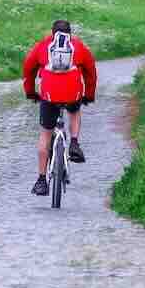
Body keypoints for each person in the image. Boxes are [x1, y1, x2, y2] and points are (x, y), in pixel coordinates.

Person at [23, 19, 97, 196]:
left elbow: (28, 68)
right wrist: (89, 95)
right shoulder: (78, 46)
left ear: (52, 32)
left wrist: (31, 92)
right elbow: (91, 72)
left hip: (49, 95)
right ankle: (74, 143)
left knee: (45, 134)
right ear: (70, 33)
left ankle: (41, 181)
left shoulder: (43, 45)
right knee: (74, 111)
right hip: (73, 93)